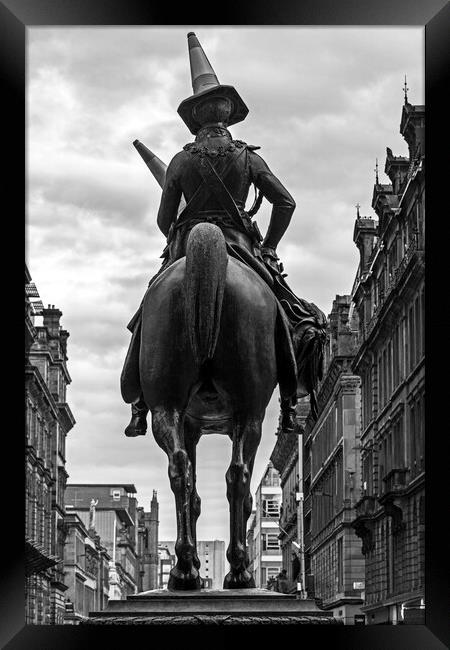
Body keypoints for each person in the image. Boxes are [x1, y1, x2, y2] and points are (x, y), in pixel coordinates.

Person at [121, 32, 326, 437]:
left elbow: (165, 220)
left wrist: (181, 234)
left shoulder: (180, 161)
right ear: (229, 117)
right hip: (242, 246)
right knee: (288, 316)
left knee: (147, 311)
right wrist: (267, 246)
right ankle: (288, 405)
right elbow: (286, 203)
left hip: (185, 242)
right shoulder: (249, 158)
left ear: (196, 119)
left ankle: (141, 404)